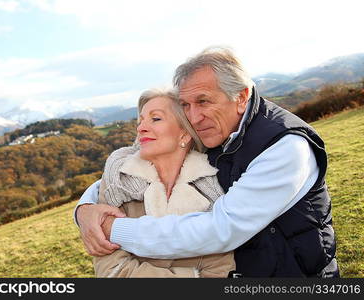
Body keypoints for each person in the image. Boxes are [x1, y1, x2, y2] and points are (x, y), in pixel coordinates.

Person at [75, 46, 339, 277]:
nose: (194, 117)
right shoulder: (216, 133)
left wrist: (113, 228)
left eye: (203, 102)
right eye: (186, 105)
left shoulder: (286, 147)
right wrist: (85, 209)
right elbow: (119, 176)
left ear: (241, 96)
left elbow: (221, 229)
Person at [92, 89, 235, 277]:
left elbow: (220, 271)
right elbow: (110, 270)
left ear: (184, 133)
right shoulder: (117, 181)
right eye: (140, 121)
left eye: (155, 119)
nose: (141, 128)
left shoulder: (212, 191)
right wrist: (192, 274)